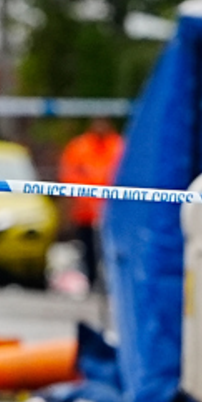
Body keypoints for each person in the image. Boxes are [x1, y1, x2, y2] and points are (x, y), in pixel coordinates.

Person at [56, 117, 124, 290]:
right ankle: (92, 280)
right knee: (88, 249)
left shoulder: (119, 146)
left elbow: (126, 176)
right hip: (85, 212)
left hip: (113, 213)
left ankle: (112, 284)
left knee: (112, 249)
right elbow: (70, 175)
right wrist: (84, 200)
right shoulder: (79, 147)